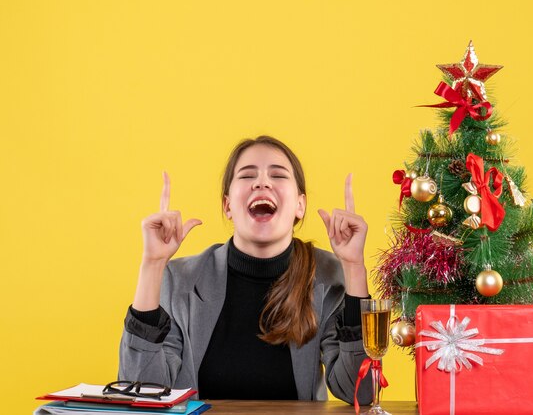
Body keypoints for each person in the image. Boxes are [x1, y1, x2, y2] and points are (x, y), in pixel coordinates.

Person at [118, 135, 373, 404]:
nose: (262, 182)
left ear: (300, 205)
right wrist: (152, 265)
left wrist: (355, 268)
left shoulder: (327, 276)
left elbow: (360, 393)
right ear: (227, 205)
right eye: (247, 175)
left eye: (278, 175)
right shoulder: (180, 279)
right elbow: (142, 393)